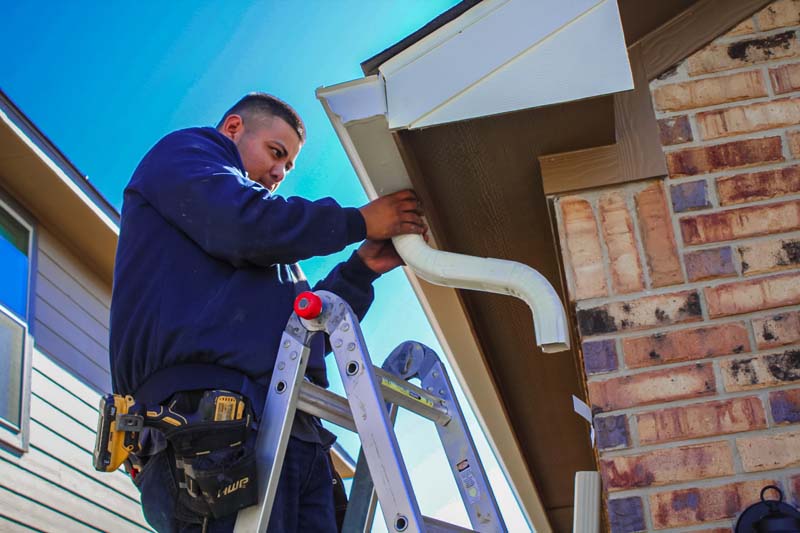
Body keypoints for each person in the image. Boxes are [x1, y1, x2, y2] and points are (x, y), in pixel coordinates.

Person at [109, 92, 426, 532]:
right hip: (206, 429)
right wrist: (359, 221)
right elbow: (242, 224)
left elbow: (303, 335)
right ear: (234, 128)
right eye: (276, 153)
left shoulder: (267, 259)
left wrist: (360, 271)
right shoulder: (187, 155)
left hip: (292, 428)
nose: (279, 173)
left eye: (289, 166)